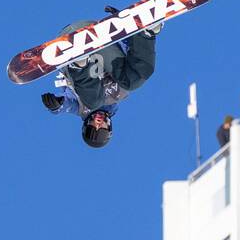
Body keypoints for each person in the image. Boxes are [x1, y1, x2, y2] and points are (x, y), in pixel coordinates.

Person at [41, 17, 161, 149]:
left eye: (92, 129)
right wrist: (127, 27)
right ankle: (147, 31)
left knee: (93, 102)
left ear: (86, 125)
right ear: (109, 126)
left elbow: (66, 105)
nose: (97, 124)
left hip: (69, 45)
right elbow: (128, 52)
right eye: (102, 131)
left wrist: (56, 105)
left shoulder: (79, 107)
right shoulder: (120, 93)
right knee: (133, 83)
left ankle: (79, 63)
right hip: (98, 37)